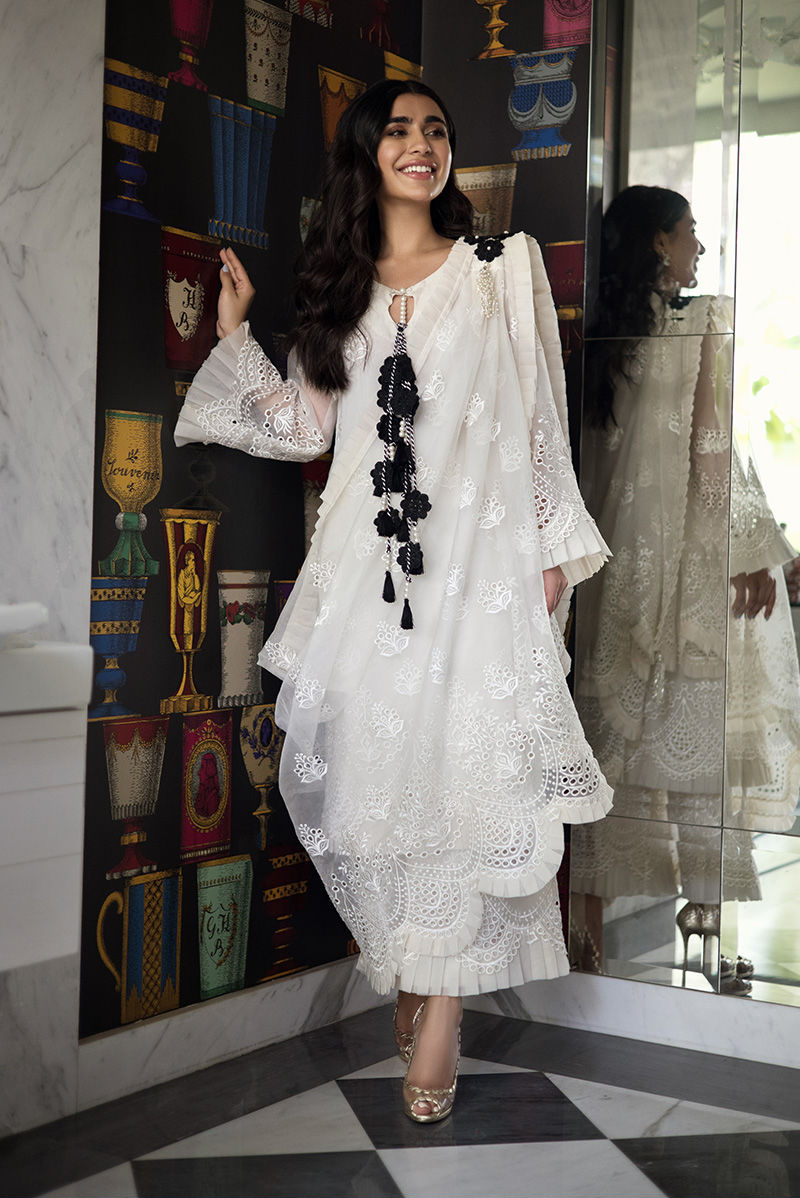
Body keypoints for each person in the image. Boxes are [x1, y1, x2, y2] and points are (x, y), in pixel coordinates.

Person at [175, 79, 612, 1121]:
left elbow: (539, 424)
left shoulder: (500, 268)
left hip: (481, 574)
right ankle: (415, 963)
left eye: (437, 131)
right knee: (374, 783)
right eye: (401, 132)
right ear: (367, 156)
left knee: (469, 780)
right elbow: (306, 429)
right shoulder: (339, 294)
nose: (423, 145)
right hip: (366, 586)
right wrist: (234, 340)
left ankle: (443, 1013)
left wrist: (550, 553)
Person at [573, 186, 800, 987]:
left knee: (608, 746)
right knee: (699, 747)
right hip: (683, 560)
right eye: (690, 232)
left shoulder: (600, 329)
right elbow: (714, 446)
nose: (699, 247)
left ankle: (585, 933)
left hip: (611, 563)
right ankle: (704, 923)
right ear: (659, 243)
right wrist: (753, 551)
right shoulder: (702, 320)